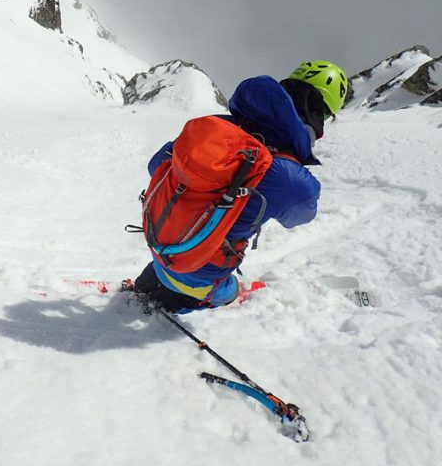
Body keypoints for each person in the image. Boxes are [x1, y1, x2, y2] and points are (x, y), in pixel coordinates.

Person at [129, 61, 349, 313]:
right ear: (318, 115)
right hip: (199, 277)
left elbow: (157, 164)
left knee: (184, 259)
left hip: (161, 248)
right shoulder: (290, 178)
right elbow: (300, 217)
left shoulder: (218, 125)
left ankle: (157, 281)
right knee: (230, 290)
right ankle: (191, 298)